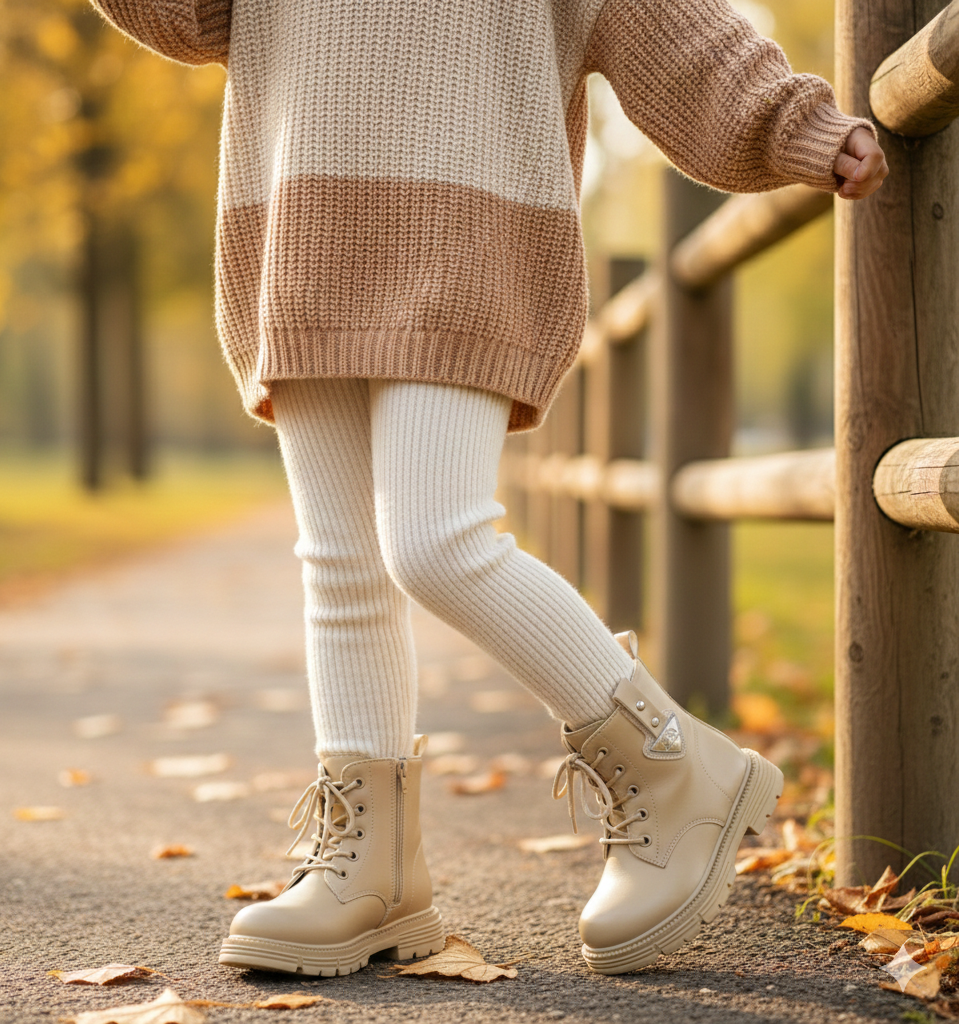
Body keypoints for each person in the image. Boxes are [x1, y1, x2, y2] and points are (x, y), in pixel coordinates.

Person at [88, 0, 887, 978]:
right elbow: (183, 15)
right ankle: (372, 869)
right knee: (340, 566)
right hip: (294, 222)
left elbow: (668, 32)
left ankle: (674, 767)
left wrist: (789, 121)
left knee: (436, 538)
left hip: (470, 234)